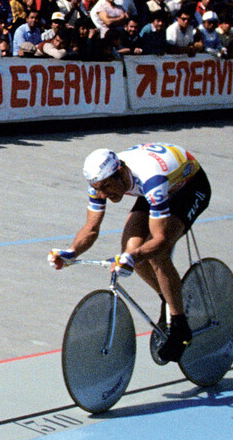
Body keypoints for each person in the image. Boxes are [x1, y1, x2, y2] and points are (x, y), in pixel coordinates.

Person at [49, 144, 214, 364]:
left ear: (120, 172)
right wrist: (71, 252)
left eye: (106, 187)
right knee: (129, 251)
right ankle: (168, 299)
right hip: (155, 189)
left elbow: (160, 240)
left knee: (156, 254)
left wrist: (133, 257)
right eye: (98, 189)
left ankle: (180, 325)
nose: (103, 194)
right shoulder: (100, 182)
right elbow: (91, 228)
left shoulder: (151, 179)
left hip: (189, 187)